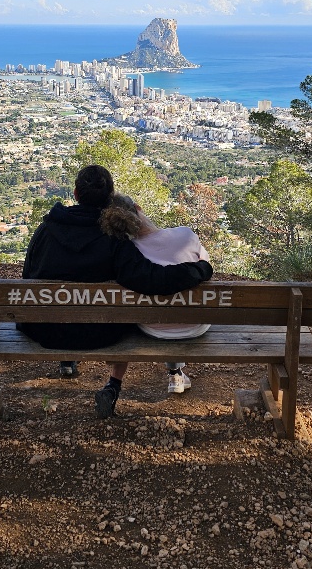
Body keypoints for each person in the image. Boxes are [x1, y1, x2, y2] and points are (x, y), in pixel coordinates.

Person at [21, 164, 213, 418]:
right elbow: (153, 280)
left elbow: (28, 278)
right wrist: (201, 269)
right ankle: (124, 381)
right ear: (110, 198)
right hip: (98, 333)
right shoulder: (113, 238)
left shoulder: (46, 231)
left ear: (76, 194)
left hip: (44, 329)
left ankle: (67, 362)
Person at [98, 193, 211, 400]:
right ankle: (176, 373)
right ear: (138, 208)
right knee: (179, 301)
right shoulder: (185, 236)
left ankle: (115, 382)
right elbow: (205, 271)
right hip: (196, 325)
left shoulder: (129, 254)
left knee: (150, 310)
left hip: (154, 328)